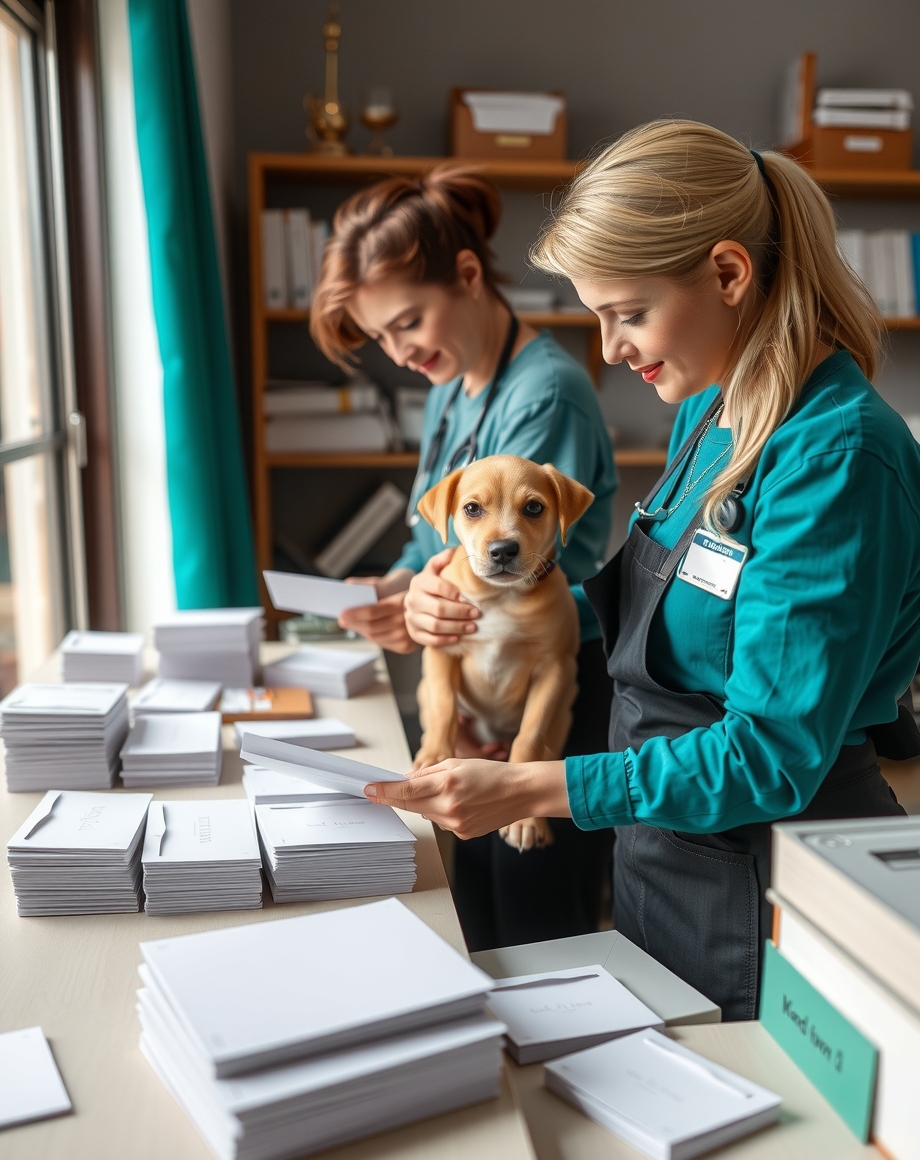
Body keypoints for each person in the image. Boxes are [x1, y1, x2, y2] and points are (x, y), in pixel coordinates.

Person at [362, 120, 920, 1020]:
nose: (611, 348)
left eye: (627, 313)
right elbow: (651, 600)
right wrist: (484, 614)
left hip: (771, 875)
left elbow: (770, 754)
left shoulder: (838, 458)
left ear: (730, 275)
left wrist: (537, 785)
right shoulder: (712, 408)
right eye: (597, 316)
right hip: (664, 849)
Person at [310, 165, 618, 950]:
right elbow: (440, 547)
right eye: (382, 337)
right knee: (475, 907)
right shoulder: (454, 387)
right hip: (478, 684)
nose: (400, 351)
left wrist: (425, 602)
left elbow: (511, 574)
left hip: (548, 691)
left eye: (408, 322)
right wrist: (394, 586)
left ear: (470, 276)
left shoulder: (543, 394)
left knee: (537, 925)